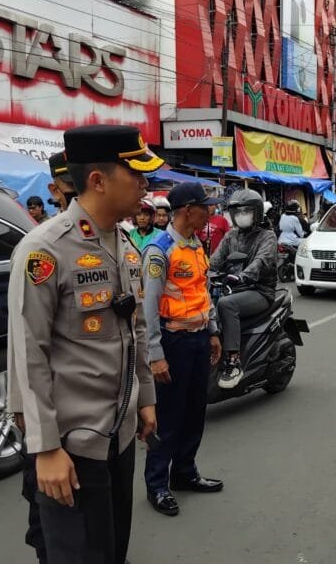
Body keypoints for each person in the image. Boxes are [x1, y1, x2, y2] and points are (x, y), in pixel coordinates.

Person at [7, 124, 161, 564]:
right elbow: (27, 353)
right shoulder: (44, 250)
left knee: (113, 548)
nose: (145, 187)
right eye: (136, 175)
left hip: (121, 435)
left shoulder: (125, 243)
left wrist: (145, 398)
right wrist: (46, 447)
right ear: (98, 180)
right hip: (72, 447)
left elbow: (136, 328)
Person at [11, 151, 78, 564]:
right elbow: (27, 340)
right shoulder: (41, 244)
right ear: (54, 189)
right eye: (69, 186)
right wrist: (26, 412)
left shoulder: (108, 238)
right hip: (48, 400)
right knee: (46, 508)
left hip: (86, 409)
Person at [142, 182, 224, 517]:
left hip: (199, 338)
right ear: (188, 210)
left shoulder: (195, 245)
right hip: (172, 342)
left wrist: (214, 332)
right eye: (206, 206)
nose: (211, 211)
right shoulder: (160, 249)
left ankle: (185, 472)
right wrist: (156, 355)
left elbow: (203, 291)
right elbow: (148, 307)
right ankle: (157, 484)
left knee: (194, 411)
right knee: (169, 417)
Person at [210, 189, 278, 389]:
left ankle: (233, 361)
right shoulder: (231, 236)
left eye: (246, 211)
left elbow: (261, 261)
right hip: (233, 288)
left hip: (260, 290)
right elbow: (214, 261)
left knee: (225, 305)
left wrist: (241, 276)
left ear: (256, 212)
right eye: (237, 212)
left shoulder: (268, 236)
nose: (241, 215)